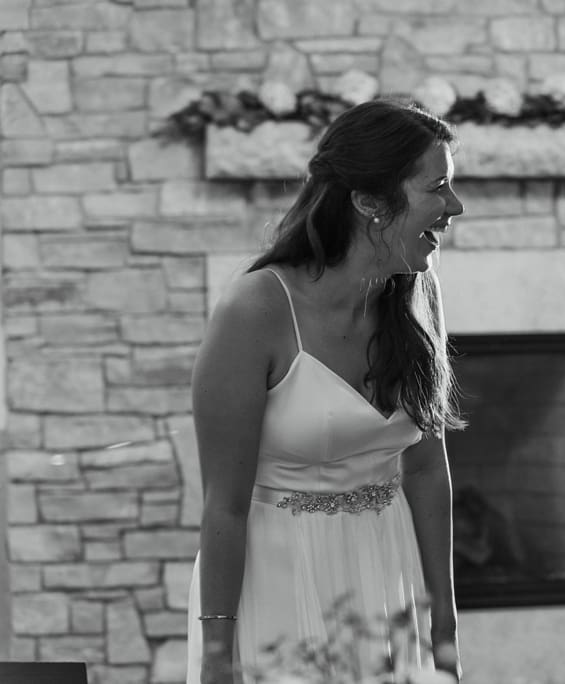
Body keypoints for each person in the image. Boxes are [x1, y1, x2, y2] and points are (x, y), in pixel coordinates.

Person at [185, 98, 465, 683]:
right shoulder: (255, 309)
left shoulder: (419, 293)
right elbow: (225, 505)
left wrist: (443, 626)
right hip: (278, 579)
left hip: (389, 571)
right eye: (437, 187)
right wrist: (216, 657)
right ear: (369, 201)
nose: (454, 207)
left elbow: (425, 471)